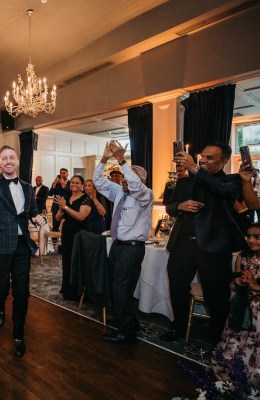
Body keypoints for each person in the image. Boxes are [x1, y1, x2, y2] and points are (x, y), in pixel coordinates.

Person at [162, 142, 245, 345]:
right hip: (182, 245)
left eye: (210, 158)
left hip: (214, 248)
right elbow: (170, 206)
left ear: (223, 161)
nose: (203, 160)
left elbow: (223, 193)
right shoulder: (186, 181)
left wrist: (194, 168)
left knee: (216, 295)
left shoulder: (232, 180)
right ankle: (178, 327)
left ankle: (217, 339)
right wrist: (180, 205)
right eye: (203, 157)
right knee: (177, 289)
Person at [0, 145, 47, 357]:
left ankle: (18, 334)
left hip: (22, 245)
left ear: (17, 161)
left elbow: (31, 210)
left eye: (12, 157)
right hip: (0, 244)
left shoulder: (26, 186)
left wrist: (38, 217)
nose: (9, 161)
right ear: (0, 162)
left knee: (22, 291)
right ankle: (0, 305)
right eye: (4, 158)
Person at [94, 140, 153, 344]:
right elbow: (98, 182)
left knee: (122, 290)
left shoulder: (145, 195)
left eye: (130, 178)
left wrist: (121, 159)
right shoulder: (119, 191)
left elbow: (135, 184)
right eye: (126, 178)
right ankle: (129, 322)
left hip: (132, 250)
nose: (126, 181)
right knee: (117, 288)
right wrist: (104, 159)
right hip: (117, 247)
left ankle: (126, 332)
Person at [212, 223, 260, 382]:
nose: (252, 240)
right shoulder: (243, 256)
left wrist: (256, 286)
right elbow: (235, 280)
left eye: (258, 237)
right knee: (235, 340)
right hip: (242, 306)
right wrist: (241, 282)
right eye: (249, 236)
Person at [54, 175, 91, 300]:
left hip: (80, 235)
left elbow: (81, 216)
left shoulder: (86, 199)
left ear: (82, 185)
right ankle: (67, 289)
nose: (74, 184)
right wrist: (60, 209)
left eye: (77, 183)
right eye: (72, 182)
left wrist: (65, 207)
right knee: (67, 261)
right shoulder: (66, 198)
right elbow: (58, 218)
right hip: (67, 234)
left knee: (78, 262)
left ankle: (79, 292)